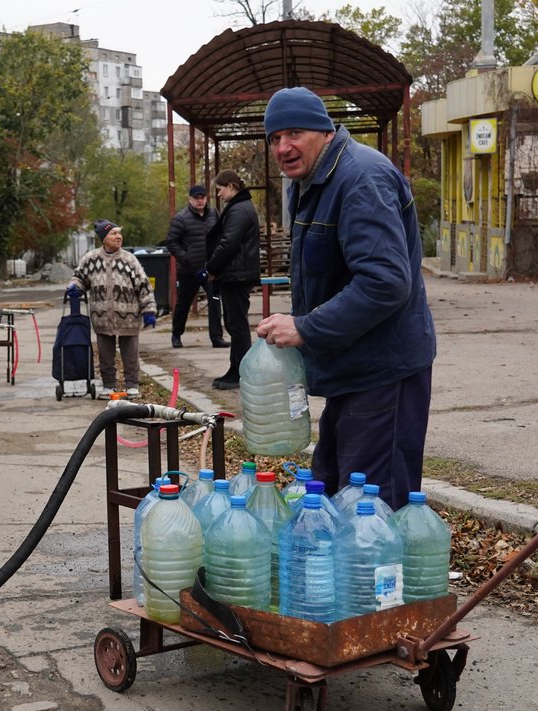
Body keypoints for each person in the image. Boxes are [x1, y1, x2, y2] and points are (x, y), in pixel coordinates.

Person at [253, 86, 436, 511]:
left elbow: (386, 281)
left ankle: (381, 581)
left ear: (324, 132)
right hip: (352, 371)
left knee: (372, 510)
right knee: (333, 496)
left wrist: (305, 327)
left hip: (383, 374)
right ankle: (344, 579)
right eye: (275, 138)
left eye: (294, 133)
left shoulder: (360, 178)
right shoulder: (313, 181)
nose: (283, 147)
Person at [67, 219, 157, 398]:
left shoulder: (129, 260)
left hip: (128, 316)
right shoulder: (91, 259)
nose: (118, 237)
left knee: (130, 354)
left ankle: (132, 385)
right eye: (113, 234)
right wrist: (74, 287)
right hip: (101, 317)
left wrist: (149, 310)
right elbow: (79, 277)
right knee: (105, 355)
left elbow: (144, 286)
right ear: (103, 239)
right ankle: (109, 385)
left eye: (119, 233)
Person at [203, 170, 260, 390]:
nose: (218, 194)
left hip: (237, 274)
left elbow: (228, 243)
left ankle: (241, 373)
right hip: (236, 273)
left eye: (219, 189)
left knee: (237, 326)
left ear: (231, 187)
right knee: (235, 324)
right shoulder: (239, 208)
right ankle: (235, 369)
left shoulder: (239, 210)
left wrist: (211, 268)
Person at [165, 184, 224, 349]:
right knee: (183, 304)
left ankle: (216, 337)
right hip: (189, 270)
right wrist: (185, 257)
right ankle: (176, 335)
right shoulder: (181, 218)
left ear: (206, 198)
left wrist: (217, 259)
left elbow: (220, 235)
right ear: (190, 199)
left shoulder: (213, 214)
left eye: (202, 197)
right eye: (196, 198)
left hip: (210, 269)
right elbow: (171, 242)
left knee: (214, 301)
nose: (200, 201)